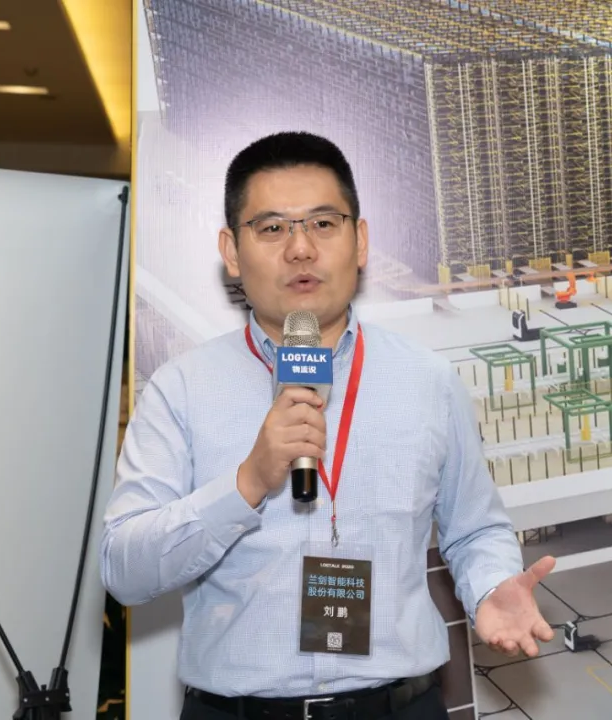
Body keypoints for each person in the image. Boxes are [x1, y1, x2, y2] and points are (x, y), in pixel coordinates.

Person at [100, 131, 556, 720]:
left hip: (400, 708)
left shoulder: (428, 380)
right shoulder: (181, 389)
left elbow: (474, 529)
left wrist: (492, 587)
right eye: (272, 228)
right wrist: (247, 483)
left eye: (322, 223)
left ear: (359, 240)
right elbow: (124, 568)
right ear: (231, 252)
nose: (300, 249)